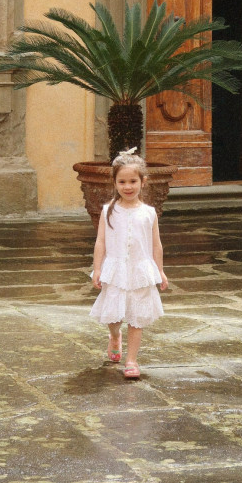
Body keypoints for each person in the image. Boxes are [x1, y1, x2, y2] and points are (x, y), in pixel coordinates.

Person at [90, 147, 168, 379]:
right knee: (113, 316)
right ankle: (115, 336)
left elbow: (156, 244)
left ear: (143, 182)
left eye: (133, 181)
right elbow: (101, 241)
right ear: (114, 183)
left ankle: (131, 360)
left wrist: (160, 271)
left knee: (137, 316)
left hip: (140, 271)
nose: (128, 186)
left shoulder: (149, 213)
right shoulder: (108, 211)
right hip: (115, 271)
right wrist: (97, 268)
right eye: (122, 182)